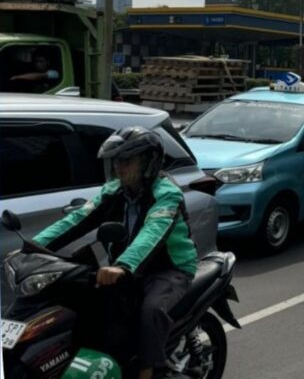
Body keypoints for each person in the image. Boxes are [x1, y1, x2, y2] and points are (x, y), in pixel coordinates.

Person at [32, 127, 198, 379]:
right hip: (126, 267)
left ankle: (150, 369)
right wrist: (32, 248)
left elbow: (152, 233)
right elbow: (77, 219)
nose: (119, 168)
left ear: (148, 162)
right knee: (89, 300)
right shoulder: (114, 191)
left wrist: (123, 265)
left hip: (168, 269)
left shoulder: (166, 195)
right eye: (116, 161)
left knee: (150, 310)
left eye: (126, 161)